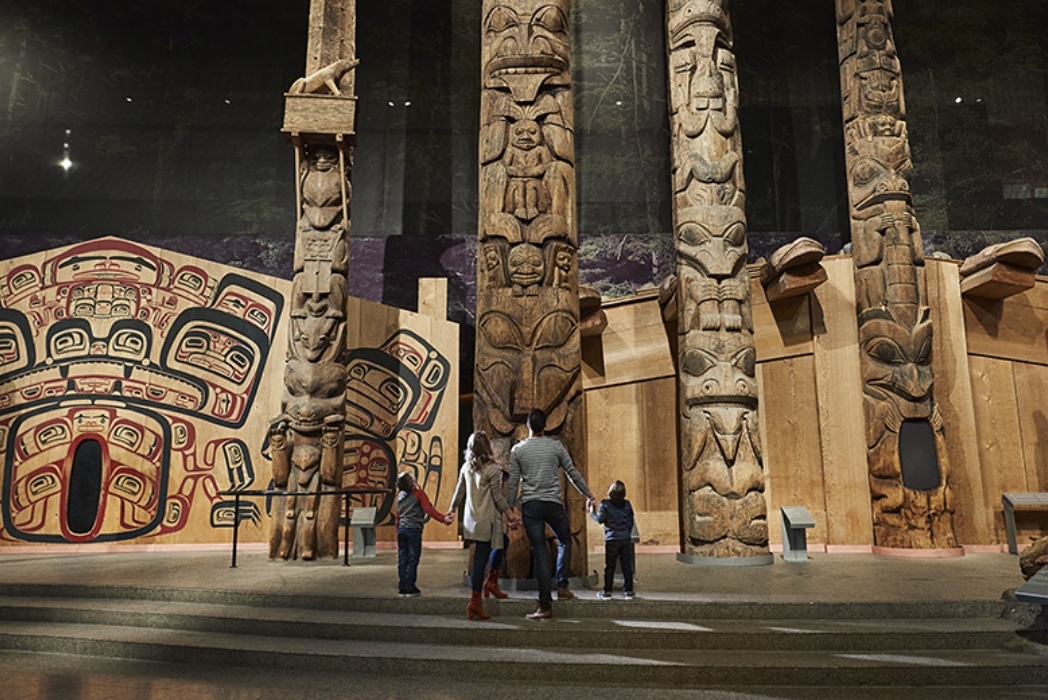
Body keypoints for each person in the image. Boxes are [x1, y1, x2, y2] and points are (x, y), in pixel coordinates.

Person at [506, 408, 595, 620]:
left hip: (531, 506)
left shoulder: (518, 450)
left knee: (541, 555)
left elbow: (512, 483)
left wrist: (509, 510)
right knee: (565, 540)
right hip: (553, 504)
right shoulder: (556, 446)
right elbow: (572, 473)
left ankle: (545, 606)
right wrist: (589, 494)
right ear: (544, 426)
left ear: (528, 426)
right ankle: (562, 585)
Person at [450, 430, 520, 620]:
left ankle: (491, 582)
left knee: (503, 542)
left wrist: (452, 510)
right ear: (487, 447)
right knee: (480, 561)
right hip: (486, 521)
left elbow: (459, 491)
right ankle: (475, 603)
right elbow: (498, 498)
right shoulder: (491, 469)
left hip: (473, 521)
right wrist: (511, 514)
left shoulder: (466, 467)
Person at [395, 471, 453, 597]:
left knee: (402, 558)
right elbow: (428, 509)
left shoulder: (399, 497)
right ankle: (410, 587)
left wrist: (398, 530)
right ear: (413, 483)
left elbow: (397, 516)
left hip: (402, 530)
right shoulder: (419, 494)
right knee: (413, 558)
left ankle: (402, 586)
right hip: (413, 530)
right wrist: (443, 519)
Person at [590, 480, 636, 600]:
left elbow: (600, 520)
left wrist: (591, 512)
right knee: (627, 566)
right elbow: (631, 521)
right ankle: (629, 591)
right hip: (625, 539)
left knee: (610, 566)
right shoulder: (627, 504)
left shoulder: (605, 504)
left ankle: (607, 591)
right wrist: (626, 532)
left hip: (611, 539)